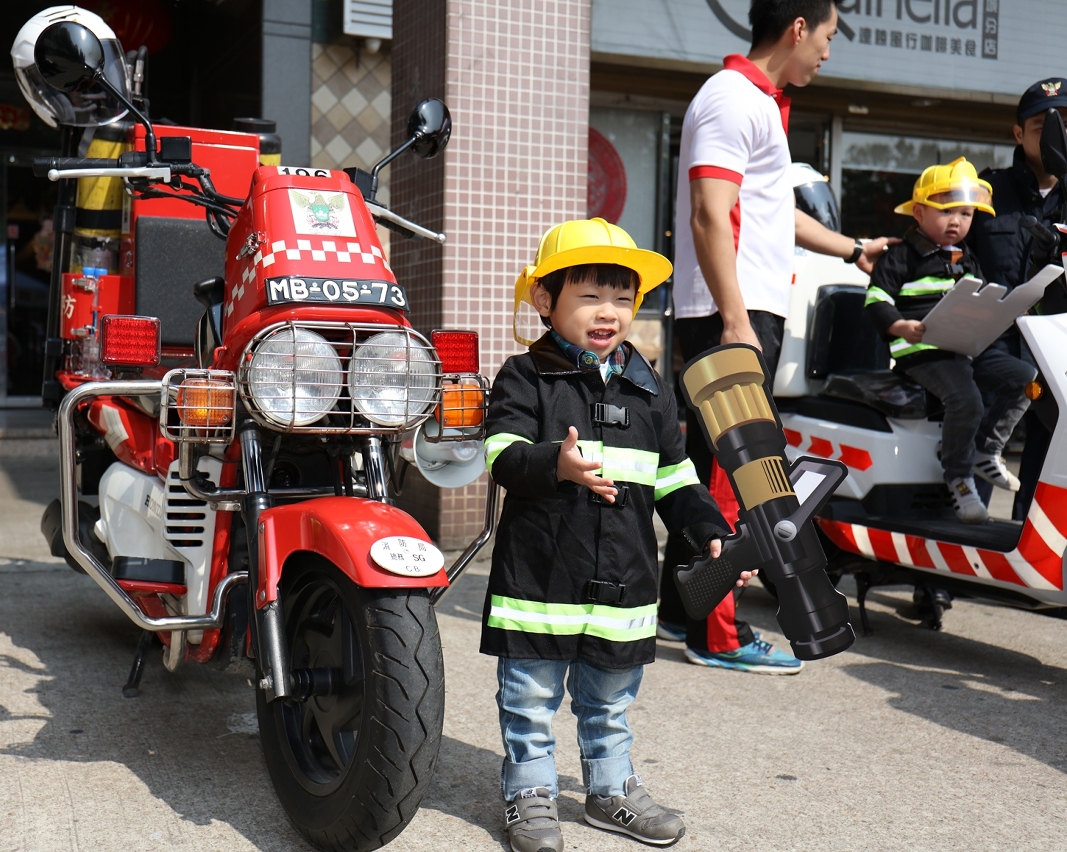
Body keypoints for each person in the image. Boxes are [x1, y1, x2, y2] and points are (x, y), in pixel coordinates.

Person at [482, 218, 742, 852]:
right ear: (545, 301)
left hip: (622, 585)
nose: (609, 313)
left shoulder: (649, 389)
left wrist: (709, 528)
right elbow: (501, 454)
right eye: (589, 297)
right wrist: (555, 464)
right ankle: (531, 792)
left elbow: (677, 477)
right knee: (530, 700)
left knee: (609, 703)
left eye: (623, 299)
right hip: (540, 578)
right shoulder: (524, 375)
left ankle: (610, 790)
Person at [660, 0, 894, 674]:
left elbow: (769, 210)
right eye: (826, 37)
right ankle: (721, 636)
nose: (827, 51)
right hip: (729, 314)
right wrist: (735, 321)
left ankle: (682, 613)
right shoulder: (732, 98)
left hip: (735, 311)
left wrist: (853, 250)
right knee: (742, 474)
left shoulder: (754, 101)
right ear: (797, 29)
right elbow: (710, 215)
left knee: (711, 467)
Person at [864, 157, 1037, 523]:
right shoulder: (901, 254)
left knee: (1025, 378)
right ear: (920, 212)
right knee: (967, 399)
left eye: (967, 214)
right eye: (947, 212)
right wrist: (901, 327)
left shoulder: (967, 257)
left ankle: (985, 450)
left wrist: (1003, 311)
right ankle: (959, 477)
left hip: (964, 348)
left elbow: (984, 297)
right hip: (923, 352)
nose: (957, 222)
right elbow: (876, 298)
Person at [967, 78, 1067, 519]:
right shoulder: (986, 192)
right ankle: (948, 574)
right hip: (996, 346)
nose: (1053, 134)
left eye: (1063, 124)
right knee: (978, 451)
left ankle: (1028, 568)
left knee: (1049, 459)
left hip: (1058, 348)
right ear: (1017, 133)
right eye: (1041, 124)